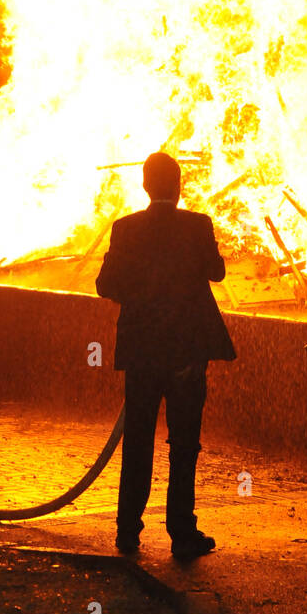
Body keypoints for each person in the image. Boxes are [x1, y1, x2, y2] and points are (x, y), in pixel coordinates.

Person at [95, 151, 236, 560]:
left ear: (144, 186)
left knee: (137, 440)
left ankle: (127, 530)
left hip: (142, 352)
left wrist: (138, 295)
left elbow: (106, 285)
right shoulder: (197, 226)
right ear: (179, 187)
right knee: (184, 443)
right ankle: (181, 532)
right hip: (187, 354)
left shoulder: (125, 229)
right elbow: (217, 272)